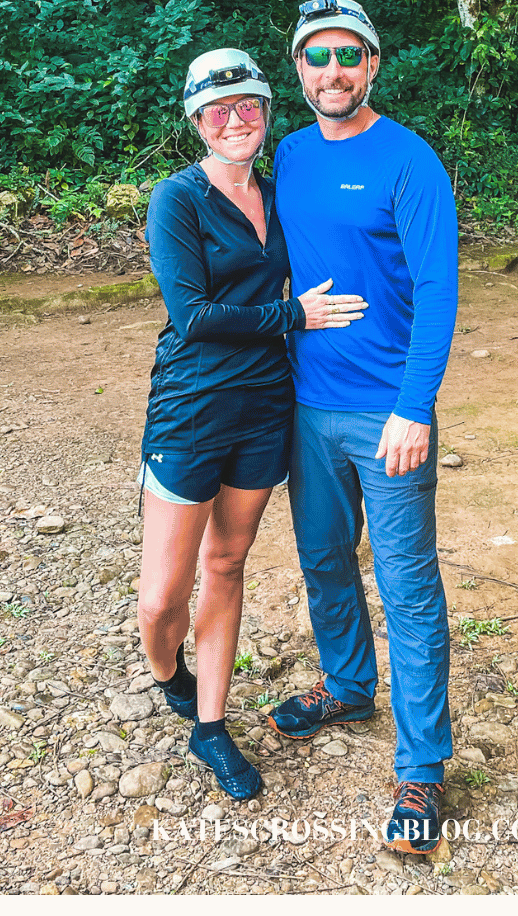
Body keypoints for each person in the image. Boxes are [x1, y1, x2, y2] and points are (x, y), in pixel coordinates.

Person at [136, 46, 367, 802]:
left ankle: (210, 725)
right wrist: (292, 315)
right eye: (218, 109)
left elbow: (341, 239)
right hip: (193, 407)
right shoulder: (178, 200)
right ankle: (170, 668)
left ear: (267, 114)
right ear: (198, 122)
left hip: (266, 405)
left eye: (248, 106)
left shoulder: (278, 192)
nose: (235, 120)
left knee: (227, 564)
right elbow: (192, 316)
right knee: (162, 596)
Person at [270, 0, 459, 853]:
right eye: (318, 58)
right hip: (307, 408)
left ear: (372, 65)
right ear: (299, 72)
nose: (333, 71)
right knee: (322, 561)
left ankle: (422, 768)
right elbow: (276, 263)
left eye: (349, 55)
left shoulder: (410, 161)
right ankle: (347, 686)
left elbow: (438, 291)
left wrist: (415, 406)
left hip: (387, 417)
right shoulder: (290, 155)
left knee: (409, 589)